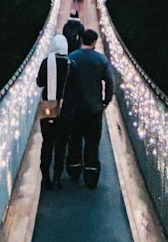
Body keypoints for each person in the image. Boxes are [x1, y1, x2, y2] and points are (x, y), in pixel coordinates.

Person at [63, 28, 114, 189]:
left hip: (74, 109)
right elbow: (110, 83)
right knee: (92, 143)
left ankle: (74, 170)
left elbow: (63, 81)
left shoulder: (71, 59)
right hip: (94, 109)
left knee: (75, 140)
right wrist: (105, 101)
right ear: (94, 42)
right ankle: (91, 177)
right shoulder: (101, 60)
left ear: (81, 40)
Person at [36, 34, 71, 189]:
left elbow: (39, 82)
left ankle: (45, 177)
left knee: (47, 143)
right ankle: (57, 176)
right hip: (65, 110)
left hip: (48, 108)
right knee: (61, 144)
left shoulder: (46, 62)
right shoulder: (72, 64)